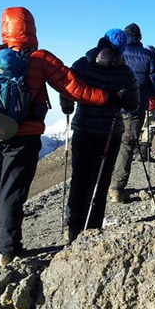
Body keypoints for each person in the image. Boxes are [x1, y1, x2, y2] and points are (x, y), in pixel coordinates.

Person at [0, 7, 112, 268]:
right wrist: (107, 97)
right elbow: (74, 88)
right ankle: (8, 250)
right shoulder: (41, 59)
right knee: (12, 191)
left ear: (4, 27)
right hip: (23, 134)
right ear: (32, 28)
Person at [60, 29, 138, 242]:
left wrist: (67, 107)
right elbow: (133, 105)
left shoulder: (81, 65)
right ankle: (92, 232)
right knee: (101, 183)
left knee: (79, 180)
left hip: (84, 129)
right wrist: (120, 99)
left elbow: (67, 92)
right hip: (110, 133)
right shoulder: (125, 72)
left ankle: (73, 231)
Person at [109, 25, 155, 203]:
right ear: (139, 37)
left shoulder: (115, 53)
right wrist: (151, 96)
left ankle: (101, 185)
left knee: (109, 144)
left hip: (111, 106)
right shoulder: (149, 56)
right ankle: (117, 188)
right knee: (126, 145)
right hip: (135, 106)